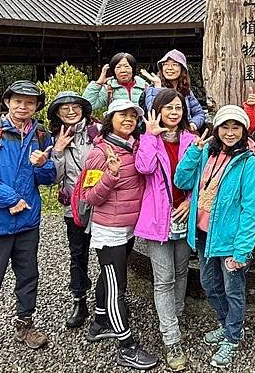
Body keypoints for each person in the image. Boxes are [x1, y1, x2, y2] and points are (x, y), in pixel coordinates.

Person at [0, 81, 56, 373]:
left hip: (27, 222)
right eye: (18, 101)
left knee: (29, 277)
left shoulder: (41, 135)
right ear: (7, 102)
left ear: (37, 106)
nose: (23, 107)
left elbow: (48, 177)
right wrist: (10, 198)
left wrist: (43, 164)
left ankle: (24, 325)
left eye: (30, 102)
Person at [174, 105, 255, 368]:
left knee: (233, 290)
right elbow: (181, 180)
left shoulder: (249, 163)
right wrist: (194, 151)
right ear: (216, 129)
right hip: (204, 235)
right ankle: (227, 326)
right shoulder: (207, 154)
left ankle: (233, 337)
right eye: (225, 126)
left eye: (236, 127)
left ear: (244, 130)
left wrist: (242, 251)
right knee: (209, 284)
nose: (230, 132)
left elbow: (251, 210)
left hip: (231, 240)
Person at [82, 99, 157, 370]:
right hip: (109, 230)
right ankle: (126, 347)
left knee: (109, 276)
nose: (128, 119)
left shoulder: (133, 146)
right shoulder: (99, 152)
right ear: (110, 118)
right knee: (117, 288)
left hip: (128, 228)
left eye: (132, 115)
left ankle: (100, 323)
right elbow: (89, 196)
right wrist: (110, 176)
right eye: (122, 115)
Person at [134, 89, 196, 372]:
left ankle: (176, 315)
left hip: (184, 216)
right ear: (157, 110)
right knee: (164, 279)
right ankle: (171, 338)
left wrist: (191, 202)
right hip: (158, 218)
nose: (174, 112)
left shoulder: (192, 140)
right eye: (168, 107)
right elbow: (144, 167)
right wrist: (149, 135)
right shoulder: (148, 141)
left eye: (178, 107)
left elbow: (205, 178)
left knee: (182, 271)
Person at [48, 90, 98, 329]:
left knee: (108, 255)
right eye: (64, 108)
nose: (70, 111)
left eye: (74, 106)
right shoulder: (53, 137)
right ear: (57, 113)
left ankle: (109, 298)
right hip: (74, 208)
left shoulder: (97, 132)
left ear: (83, 109)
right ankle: (79, 299)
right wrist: (57, 150)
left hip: (102, 205)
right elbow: (52, 177)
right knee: (78, 254)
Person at [139, 49, 205, 131]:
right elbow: (152, 112)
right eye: (165, 64)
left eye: (175, 64)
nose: (169, 68)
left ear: (182, 68)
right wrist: (158, 87)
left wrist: (193, 124)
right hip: (159, 135)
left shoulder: (186, 91)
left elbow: (199, 113)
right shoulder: (153, 89)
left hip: (182, 135)